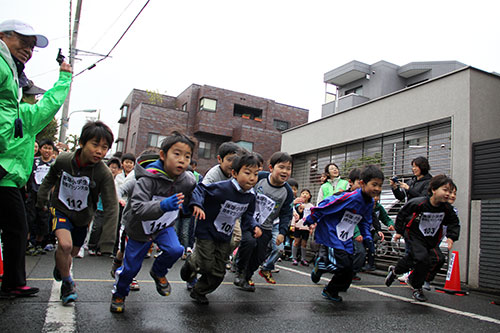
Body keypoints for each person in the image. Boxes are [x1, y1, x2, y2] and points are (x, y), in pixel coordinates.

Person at [0, 19, 71, 298]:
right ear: (3, 36)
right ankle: (14, 283)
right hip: (4, 171)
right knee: (17, 228)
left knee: (17, 228)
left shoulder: (17, 108)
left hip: (8, 174)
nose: (28, 50)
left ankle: (14, 282)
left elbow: (46, 107)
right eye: (23, 42)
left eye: (32, 47)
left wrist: (64, 77)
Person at [110, 131, 196, 313]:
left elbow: (195, 192)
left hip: (164, 226)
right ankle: (119, 293)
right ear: (163, 155)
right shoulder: (147, 179)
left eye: (187, 156)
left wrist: (196, 204)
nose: (182, 160)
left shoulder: (187, 180)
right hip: (138, 228)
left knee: (176, 250)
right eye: (177, 154)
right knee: (131, 268)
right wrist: (163, 205)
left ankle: (158, 271)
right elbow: (138, 208)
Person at [37, 121, 118, 305]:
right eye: (95, 145)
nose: (100, 151)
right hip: (61, 209)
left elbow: (111, 205)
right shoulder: (64, 160)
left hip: (82, 217)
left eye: (105, 147)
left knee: (71, 252)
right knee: (64, 246)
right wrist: (42, 199)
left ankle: (62, 268)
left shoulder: (103, 173)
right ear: (82, 143)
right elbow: (49, 178)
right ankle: (67, 284)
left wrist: (107, 243)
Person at [180, 153, 262, 304]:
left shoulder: (251, 196)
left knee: (218, 272)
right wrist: (197, 204)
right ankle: (191, 263)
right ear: (235, 173)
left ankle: (199, 292)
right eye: (247, 173)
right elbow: (200, 190)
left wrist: (254, 226)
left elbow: (248, 216)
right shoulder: (223, 188)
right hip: (207, 231)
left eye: (256, 174)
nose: (252, 178)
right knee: (206, 265)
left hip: (225, 235)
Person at [305, 165, 384, 302]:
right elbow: (328, 204)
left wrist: (367, 237)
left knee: (349, 268)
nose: (377, 189)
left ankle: (331, 285)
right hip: (332, 231)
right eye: (374, 184)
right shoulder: (351, 197)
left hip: (346, 234)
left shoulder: (370, 202)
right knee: (343, 264)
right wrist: (312, 218)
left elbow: (365, 221)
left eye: (380, 185)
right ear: (362, 183)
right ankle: (325, 275)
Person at [385, 175, 460, 302]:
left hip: (431, 238)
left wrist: (451, 237)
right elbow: (402, 214)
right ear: (434, 190)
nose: (448, 194)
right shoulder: (419, 203)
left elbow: (454, 222)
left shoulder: (447, 209)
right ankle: (417, 287)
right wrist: (399, 231)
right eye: (445, 190)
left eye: (451, 191)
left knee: (435, 259)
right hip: (414, 235)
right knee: (421, 258)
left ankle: (396, 271)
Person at [235, 152, 294, 290]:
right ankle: (240, 271)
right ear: (271, 168)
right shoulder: (259, 178)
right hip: (248, 221)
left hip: (267, 227)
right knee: (249, 242)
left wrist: (282, 232)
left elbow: (286, 214)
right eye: (282, 167)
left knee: (260, 256)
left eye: (288, 168)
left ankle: (247, 276)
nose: (285, 171)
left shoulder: (287, 192)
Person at [25, 139, 55, 255]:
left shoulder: (54, 164)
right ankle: (28, 243)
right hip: (32, 195)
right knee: (29, 219)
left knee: (43, 221)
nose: (47, 151)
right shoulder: (33, 161)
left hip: (47, 197)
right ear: (40, 149)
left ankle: (38, 243)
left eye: (49, 148)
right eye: (45, 148)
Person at [87, 158, 122, 256]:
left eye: (116, 168)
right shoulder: (103, 178)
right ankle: (92, 246)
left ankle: (100, 248)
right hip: (100, 207)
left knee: (106, 229)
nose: (113, 170)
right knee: (97, 227)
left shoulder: (119, 180)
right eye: (111, 167)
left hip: (111, 209)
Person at [362, 194, 395, 272]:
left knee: (371, 247)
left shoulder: (379, 208)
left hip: (372, 230)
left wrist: (390, 224)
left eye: (377, 197)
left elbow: (385, 218)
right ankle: (361, 263)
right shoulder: (364, 206)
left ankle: (370, 264)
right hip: (362, 230)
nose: (376, 199)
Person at [291, 189, 314, 266]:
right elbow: (294, 215)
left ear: (309, 196)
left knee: (304, 243)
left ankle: (303, 259)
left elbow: (313, 217)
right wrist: (293, 225)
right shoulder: (297, 204)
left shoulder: (311, 206)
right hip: (298, 226)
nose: (304, 195)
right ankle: (294, 258)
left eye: (307, 193)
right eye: (303, 193)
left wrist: (311, 227)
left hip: (306, 227)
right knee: (296, 242)